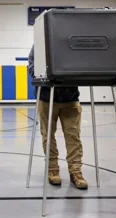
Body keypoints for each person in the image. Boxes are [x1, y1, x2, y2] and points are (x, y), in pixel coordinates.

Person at [28, 44, 88, 189]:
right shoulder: (39, 44)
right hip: (46, 97)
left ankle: (76, 172)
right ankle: (52, 169)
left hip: (70, 97)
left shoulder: (73, 44)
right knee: (48, 136)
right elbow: (32, 68)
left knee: (73, 136)